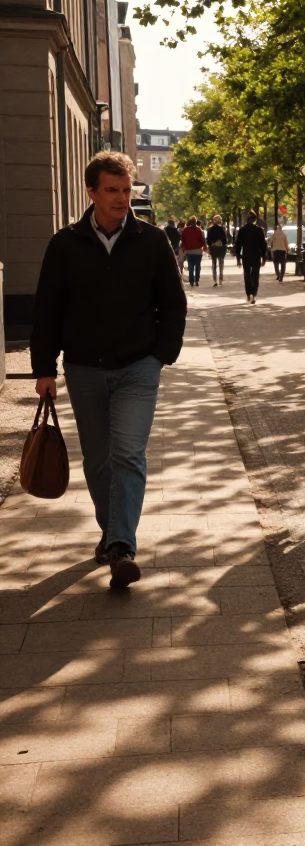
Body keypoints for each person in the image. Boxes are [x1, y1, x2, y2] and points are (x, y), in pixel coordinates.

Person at [30, 151, 187, 589]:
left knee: (128, 455)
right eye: (113, 190)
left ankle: (121, 546)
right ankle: (111, 533)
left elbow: (173, 304)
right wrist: (44, 368)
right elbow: (47, 311)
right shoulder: (65, 244)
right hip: (83, 369)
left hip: (139, 366)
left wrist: (161, 355)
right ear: (92, 192)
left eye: (127, 189)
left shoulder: (152, 241)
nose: (122, 199)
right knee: (98, 461)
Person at [234, 210, 269, 304]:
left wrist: (238, 258)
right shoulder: (259, 230)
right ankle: (254, 295)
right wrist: (264, 257)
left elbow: (238, 244)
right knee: (255, 275)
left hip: (246, 255)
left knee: (247, 275)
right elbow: (263, 245)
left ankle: (248, 294)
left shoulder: (242, 230)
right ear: (255, 219)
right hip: (256, 256)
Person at [180, 215, 206, 286]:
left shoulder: (185, 230)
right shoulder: (199, 230)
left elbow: (183, 240)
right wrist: (204, 246)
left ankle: (191, 281)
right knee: (197, 266)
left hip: (189, 251)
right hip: (198, 251)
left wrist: (183, 247)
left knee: (190, 266)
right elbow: (202, 240)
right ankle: (196, 280)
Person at [206, 214, 229, 287]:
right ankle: (220, 280)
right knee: (221, 264)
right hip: (221, 248)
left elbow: (208, 240)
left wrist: (211, 244)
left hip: (213, 249)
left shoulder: (210, 229)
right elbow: (225, 240)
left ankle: (214, 280)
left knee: (214, 264)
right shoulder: (222, 229)